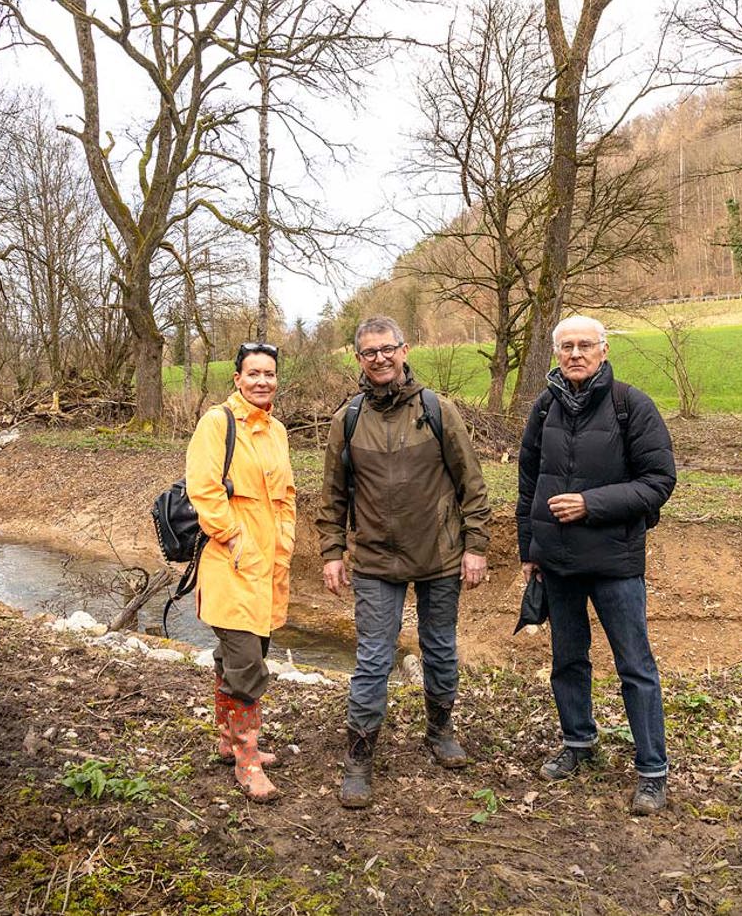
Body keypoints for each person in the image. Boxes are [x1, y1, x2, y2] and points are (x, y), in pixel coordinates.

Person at [317, 316, 492, 809]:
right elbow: (331, 497)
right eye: (369, 352)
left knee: (439, 649)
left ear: (404, 349)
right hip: (374, 560)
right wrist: (332, 552)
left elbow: (472, 485)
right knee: (373, 659)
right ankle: (359, 758)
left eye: (387, 349)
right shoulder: (347, 419)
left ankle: (440, 731)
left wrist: (476, 546)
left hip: (439, 556)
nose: (379, 358)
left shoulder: (437, 409)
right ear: (358, 358)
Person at [515, 315, 677, 815]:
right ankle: (578, 742)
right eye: (567, 347)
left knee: (635, 666)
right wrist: (529, 551)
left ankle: (652, 770)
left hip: (615, 563)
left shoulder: (632, 405)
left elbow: (658, 481)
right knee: (567, 660)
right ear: (557, 354)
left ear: (604, 351)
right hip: (558, 563)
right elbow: (527, 485)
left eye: (586, 345)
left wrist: (590, 504)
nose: (576, 354)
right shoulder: (545, 409)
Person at [186, 342, 296, 803]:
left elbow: (286, 495)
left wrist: (284, 544)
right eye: (253, 373)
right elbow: (204, 489)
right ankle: (247, 761)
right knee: (248, 663)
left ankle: (227, 741)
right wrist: (234, 538)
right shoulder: (217, 423)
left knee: (239, 657)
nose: (262, 381)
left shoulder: (277, 431)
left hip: (268, 570)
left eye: (269, 373)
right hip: (231, 567)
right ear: (237, 378)